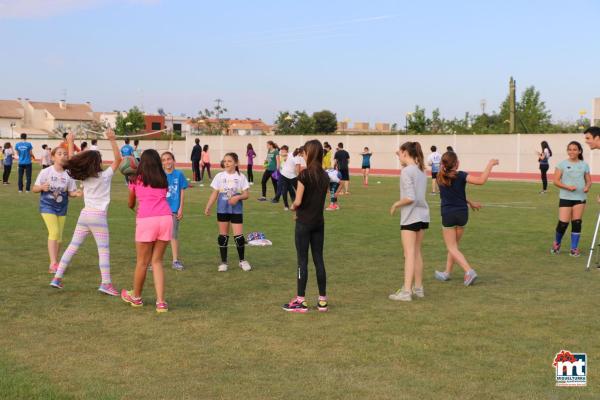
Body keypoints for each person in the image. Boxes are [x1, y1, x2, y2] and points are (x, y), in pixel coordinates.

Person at [50, 130, 122, 296]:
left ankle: (57, 278)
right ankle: (106, 283)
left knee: (72, 247)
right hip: (98, 216)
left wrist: (70, 141)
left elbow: (71, 162)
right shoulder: (104, 176)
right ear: (97, 163)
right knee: (103, 251)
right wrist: (112, 139)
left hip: (85, 215)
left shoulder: (83, 177)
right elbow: (118, 160)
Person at [433, 153, 499, 285]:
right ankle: (446, 273)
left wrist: (470, 202)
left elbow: (452, 194)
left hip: (448, 214)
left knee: (452, 247)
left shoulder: (439, 177)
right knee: (454, 247)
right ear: (456, 163)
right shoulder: (461, 175)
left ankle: (469, 271)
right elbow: (481, 181)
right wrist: (490, 164)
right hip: (462, 213)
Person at [121, 149, 173, 313]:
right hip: (165, 219)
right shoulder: (163, 178)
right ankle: (161, 302)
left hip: (147, 220)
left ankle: (136, 297)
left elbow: (130, 203)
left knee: (142, 262)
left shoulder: (136, 179)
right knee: (157, 261)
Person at [282, 140, 330, 313]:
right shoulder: (325, 176)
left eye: (304, 152)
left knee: (302, 261)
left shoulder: (304, 175)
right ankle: (322, 301)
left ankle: (301, 301)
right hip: (319, 223)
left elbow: (298, 201)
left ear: (310, 153)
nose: (302, 155)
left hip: (304, 223)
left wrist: (293, 208)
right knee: (319, 260)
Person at [389, 142, 430, 302]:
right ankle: (418, 288)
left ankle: (406, 291)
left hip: (410, 217)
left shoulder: (407, 171)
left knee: (409, 254)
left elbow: (410, 197)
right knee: (417, 252)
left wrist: (396, 204)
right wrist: (400, 154)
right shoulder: (421, 171)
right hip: (422, 216)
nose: (398, 156)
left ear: (406, 152)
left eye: (400, 153)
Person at [32, 146, 80, 273]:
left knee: (59, 236)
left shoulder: (68, 175)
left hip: (62, 207)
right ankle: (53, 263)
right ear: (53, 157)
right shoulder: (46, 172)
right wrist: (42, 187)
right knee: (54, 232)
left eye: (65, 153)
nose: (63, 155)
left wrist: (77, 194)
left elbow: (71, 192)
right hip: (47, 206)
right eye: (59, 153)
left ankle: (55, 262)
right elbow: (34, 189)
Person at [204, 153, 251, 272]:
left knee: (239, 237)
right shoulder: (219, 176)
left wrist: (237, 198)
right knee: (223, 236)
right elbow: (214, 193)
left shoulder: (241, 177)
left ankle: (242, 261)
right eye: (225, 161)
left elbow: (246, 195)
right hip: (222, 209)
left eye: (229, 161)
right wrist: (208, 206)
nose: (227, 163)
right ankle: (224, 262)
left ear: (236, 163)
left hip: (236, 210)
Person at [550, 141, 591, 257]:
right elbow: (556, 181)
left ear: (579, 151)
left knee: (577, 223)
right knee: (563, 223)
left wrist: (587, 187)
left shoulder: (584, 165)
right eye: (569, 149)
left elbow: (589, 181)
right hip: (566, 197)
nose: (571, 151)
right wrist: (567, 187)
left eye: (574, 149)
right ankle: (556, 244)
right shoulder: (561, 164)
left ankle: (574, 248)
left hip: (580, 198)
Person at [161, 151, 188, 271]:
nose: (167, 162)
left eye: (169, 159)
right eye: (164, 160)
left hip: (174, 210)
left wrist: (181, 207)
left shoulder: (179, 174)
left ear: (173, 160)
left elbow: (182, 191)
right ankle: (155, 261)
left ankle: (175, 261)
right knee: (159, 236)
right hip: (161, 210)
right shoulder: (160, 175)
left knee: (173, 235)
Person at [273, 146, 305, 210]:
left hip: (285, 174)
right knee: (297, 190)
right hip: (289, 175)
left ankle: (287, 206)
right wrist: (300, 178)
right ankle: (291, 205)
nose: (303, 155)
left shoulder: (291, 153)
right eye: (303, 153)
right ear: (301, 152)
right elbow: (297, 170)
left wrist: (285, 157)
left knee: (286, 191)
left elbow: (282, 154)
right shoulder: (297, 158)